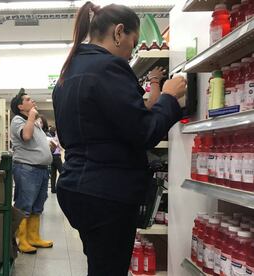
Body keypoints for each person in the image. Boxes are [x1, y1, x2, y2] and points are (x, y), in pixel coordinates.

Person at [52, 2, 186, 275]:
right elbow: (145, 132)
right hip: (106, 192)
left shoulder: (69, 71)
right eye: (133, 43)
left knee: (100, 264)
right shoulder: (109, 67)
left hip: (75, 186)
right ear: (119, 32)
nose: (130, 53)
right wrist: (169, 97)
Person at [10, 88, 54, 254]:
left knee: (37, 206)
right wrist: (31, 117)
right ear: (20, 107)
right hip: (26, 169)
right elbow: (26, 136)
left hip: (41, 169)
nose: (32, 101)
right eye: (28, 99)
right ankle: (22, 240)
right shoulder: (17, 121)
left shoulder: (32, 120)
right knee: (24, 205)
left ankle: (34, 237)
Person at [49, 126, 63, 194]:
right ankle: (60, 187)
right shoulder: (58, 137)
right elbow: (60, 147)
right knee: (62, 172)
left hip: (52, 156)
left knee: (53, 174)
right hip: (57, 156)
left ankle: (53, 189)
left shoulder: (51, 138)